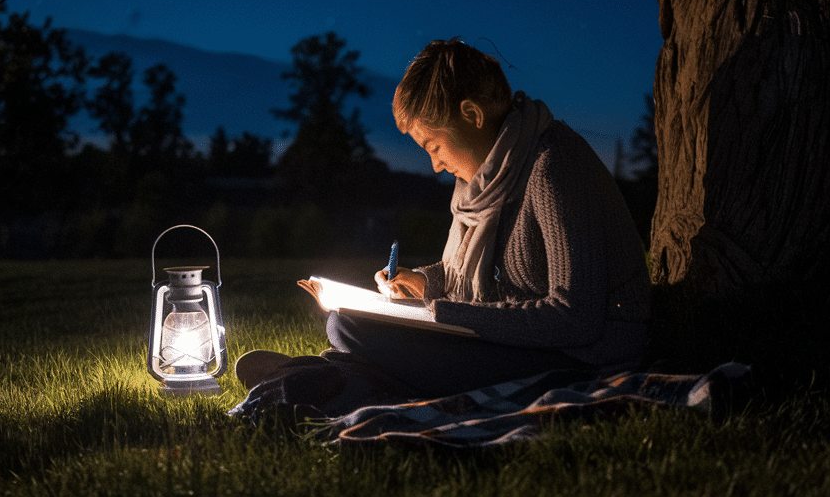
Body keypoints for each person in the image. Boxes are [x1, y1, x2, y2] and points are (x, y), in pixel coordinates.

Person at [236, 39, 651, 399]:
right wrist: (425, 283)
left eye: (433, 145)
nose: (435, 165)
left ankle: (331, 381)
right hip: (521, 344)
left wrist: (445, 313)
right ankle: (336, 379)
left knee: (351, 330)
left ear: (472, 115)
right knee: (345, 323)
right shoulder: (482, 185)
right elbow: (492, 280)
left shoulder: (553, 166)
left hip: (581, 359)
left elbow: (575, 319)